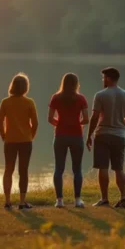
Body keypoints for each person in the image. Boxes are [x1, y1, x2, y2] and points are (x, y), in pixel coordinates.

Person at [87, 67, 125, 208]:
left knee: (103, 167)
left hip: (102, 134)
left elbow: (95, 117)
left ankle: (104, 198)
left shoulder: (100, 95)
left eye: (103, 78)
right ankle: (123, 198)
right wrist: (120, 124)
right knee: (119, 168)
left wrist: (89, 134)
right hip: (119, 136)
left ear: (108, 78)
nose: (103, 80)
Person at [0, 73, 38, 210]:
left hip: (10, 141)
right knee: (23, 171)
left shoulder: (5, 102)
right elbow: (35, 123)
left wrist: (3, 135)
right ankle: (22, 202)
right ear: (26, 87)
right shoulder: (29, 102)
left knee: (8, 170)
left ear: (12, 86)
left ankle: (8, 201)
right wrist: (31, 135)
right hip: (26, 141)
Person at [48, 73, 89, 208]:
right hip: (76, 136)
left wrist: (60, 123)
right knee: (77, 169)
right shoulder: (81, 98)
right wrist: (78, 124)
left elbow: (50, 119)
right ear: (76, 84)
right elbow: (86, 119)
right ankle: (77, 200)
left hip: (60, 136)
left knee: (58, 169)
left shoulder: (56, 97)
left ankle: (59, 200)